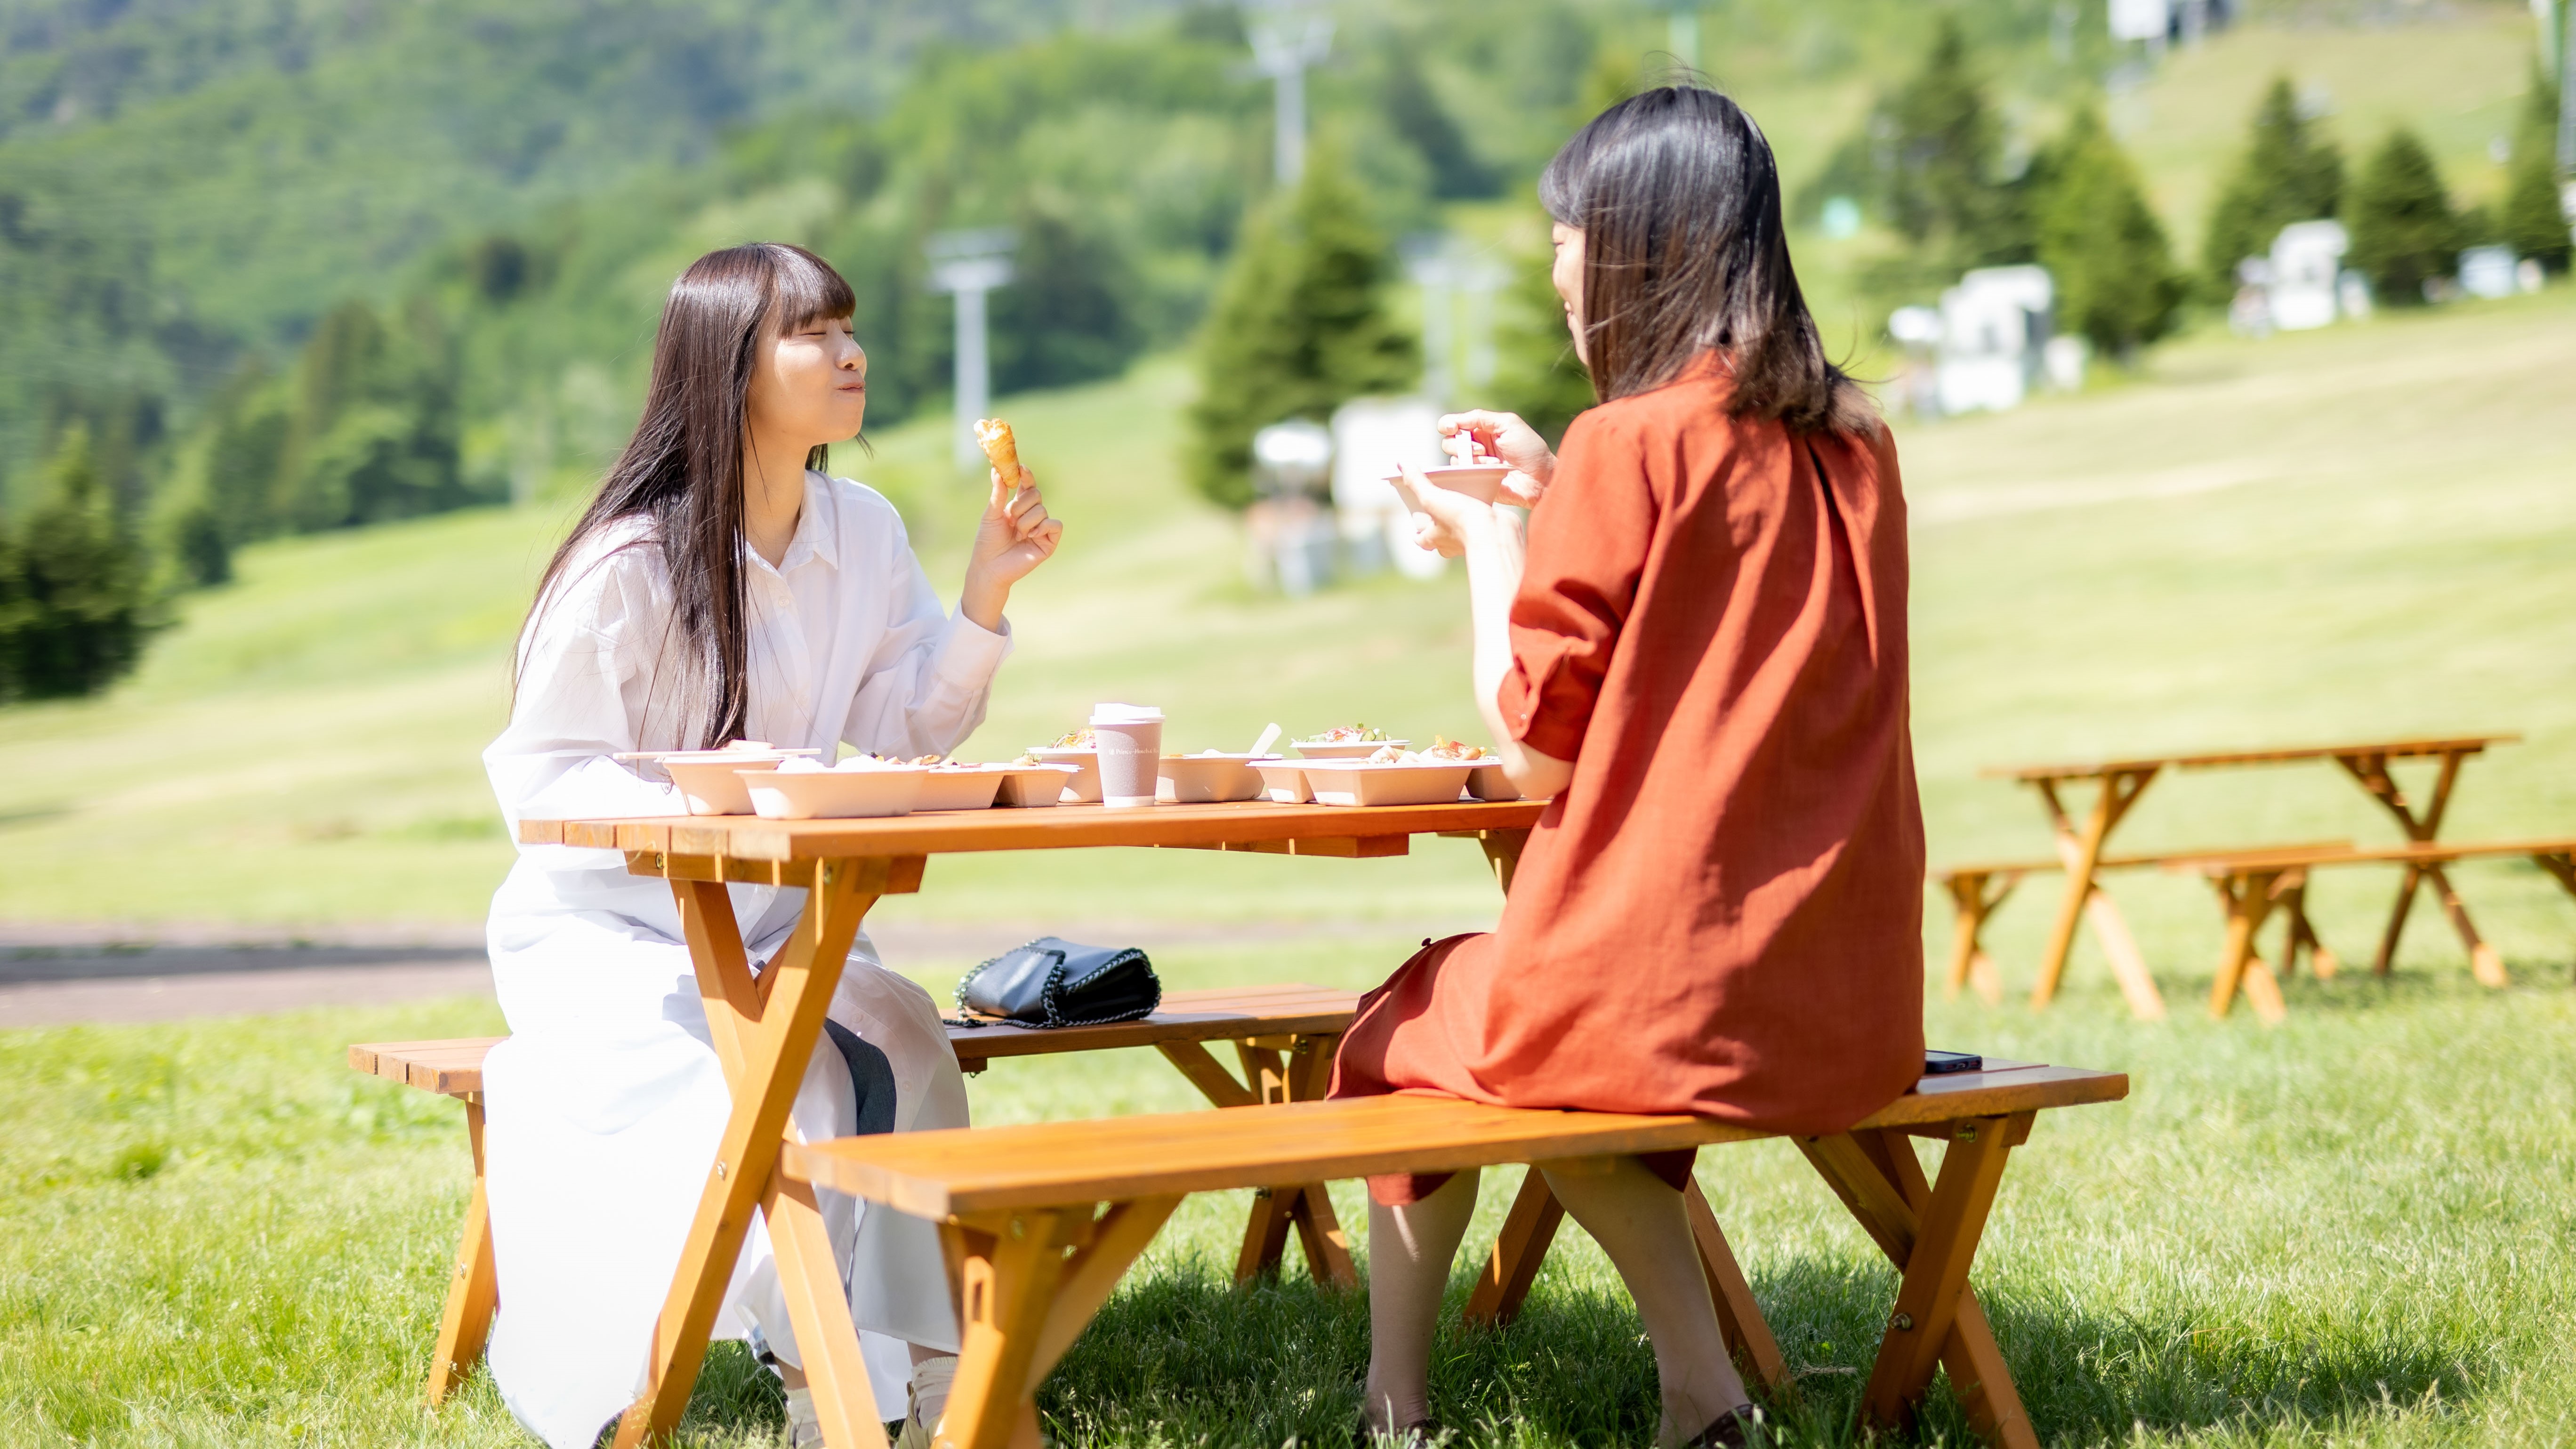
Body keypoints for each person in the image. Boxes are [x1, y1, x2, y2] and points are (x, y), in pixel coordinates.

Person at [1338, 87, 1925, 1447]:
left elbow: (1533, 751)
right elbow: (1715, 628)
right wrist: (1551, 508)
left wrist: (1495, 547)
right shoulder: (1854, 442)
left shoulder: (1628, 441)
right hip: (1850, 992)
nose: (1555, 265)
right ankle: (1695, 1395)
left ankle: (1398, 1412)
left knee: (1399, 1027)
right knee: (1545, 1043)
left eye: (1567, 234)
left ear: (1641, 244)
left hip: (1673, 994)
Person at [479, 242, 1061, 1449]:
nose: (852, 354)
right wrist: (713, 795)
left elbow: (902, 727)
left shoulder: (862, 524)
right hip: (618, 935)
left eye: (851, 328)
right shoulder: (631, 563)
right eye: (815, 334)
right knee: (790, 1083)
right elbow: (542, 786)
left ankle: (952, 1381)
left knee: (907, 1039)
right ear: (731, 367)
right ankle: (831, 1391)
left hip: (780, 928)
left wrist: (986, 595)